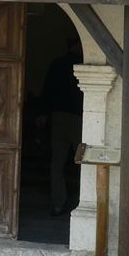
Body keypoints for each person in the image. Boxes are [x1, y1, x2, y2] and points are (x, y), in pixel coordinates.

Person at [41, 37, 83, 216]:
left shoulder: (57, 64)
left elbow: (47, 89)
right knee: (84, 161)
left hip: (58, 117)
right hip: (79, 118)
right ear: (77, 46)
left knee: (57, 163)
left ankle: (58, 202)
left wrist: (43, 113)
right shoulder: (83, 63)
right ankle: (81, 203)